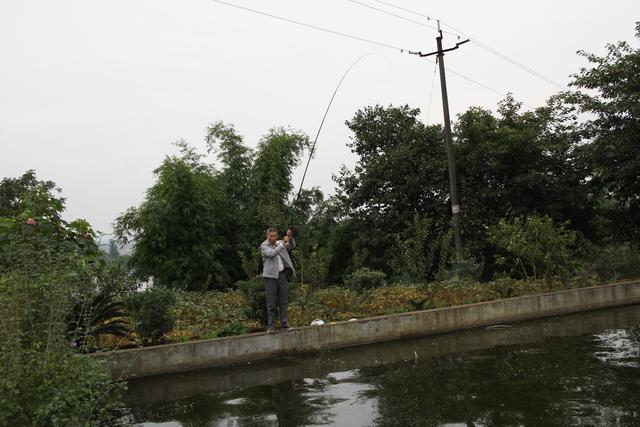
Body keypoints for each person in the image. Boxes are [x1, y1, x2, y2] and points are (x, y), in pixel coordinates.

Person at [260, 227, 295, 333]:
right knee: (271, 302)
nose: (273, 238)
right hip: (270, 276)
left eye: (275, 236)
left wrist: (290, 237)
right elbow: (272, 253)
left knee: (283, 301)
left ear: (277, 236)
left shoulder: (280, 242)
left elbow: (292, 246)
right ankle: (271, 326)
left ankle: (284, 324)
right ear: (267, 236)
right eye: (271, 236)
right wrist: (282, 243)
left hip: (282, 275)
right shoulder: (264, 245)